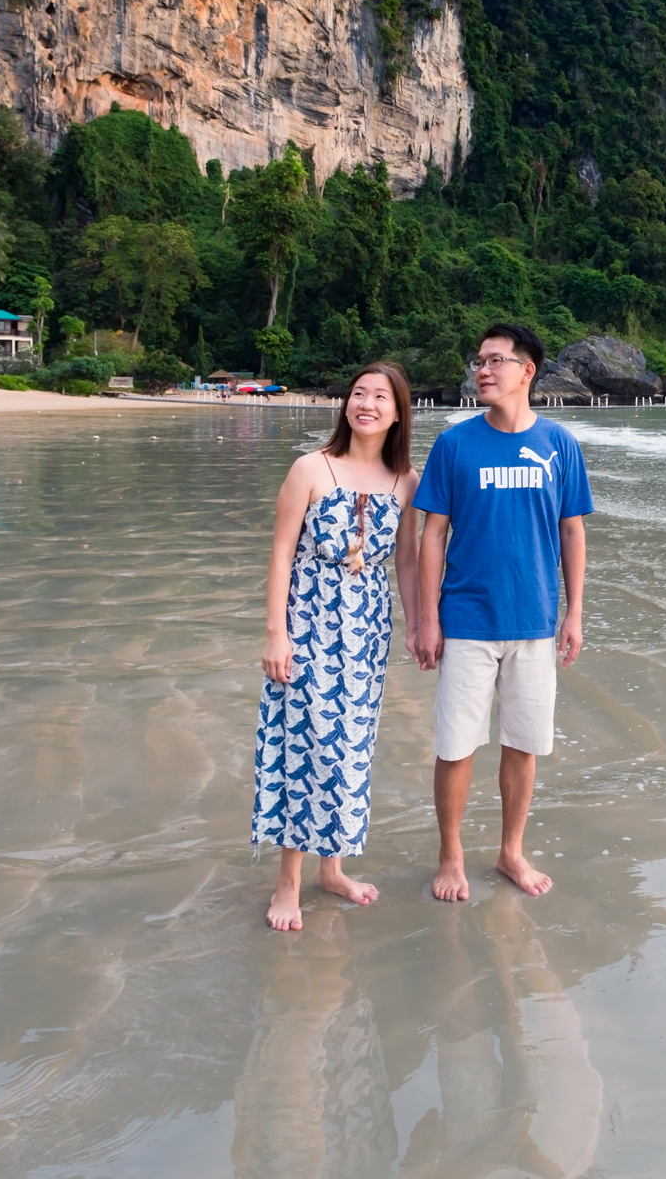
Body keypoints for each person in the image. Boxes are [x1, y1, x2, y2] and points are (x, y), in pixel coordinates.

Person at [413, 323, 591, 900]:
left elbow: (572, 531)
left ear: (526, 371)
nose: (481, 370)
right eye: (479, 361)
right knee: (456, 745)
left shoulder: (559, 444)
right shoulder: (455, 444)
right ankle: (451, 855)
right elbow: (432, 533)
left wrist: (574, 613)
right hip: (466, 620)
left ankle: (511, 852)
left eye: (495, 361)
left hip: (536, 621)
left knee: (523, 742)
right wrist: (428, 616)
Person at [253, 360, 422, 929]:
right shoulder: (311, 467)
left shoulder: (406, 482)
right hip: (308, 623)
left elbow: (405, 562)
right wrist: (277, 632)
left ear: (398, 412)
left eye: (379, 397)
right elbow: (280, 553)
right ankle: (288, 882)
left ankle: (333, 867)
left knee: (349, 747)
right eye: (357, 394)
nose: (365, 404)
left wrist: (421, 623)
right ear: (345, 404)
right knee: (302, 747)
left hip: (367, 631)